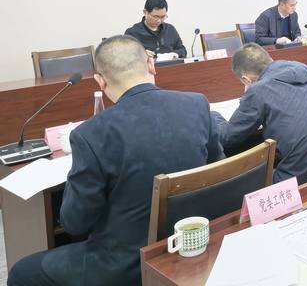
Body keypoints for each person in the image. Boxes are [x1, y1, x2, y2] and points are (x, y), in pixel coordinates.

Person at [8, 36, 224, 286]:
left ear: (100, 81)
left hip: (124, 264)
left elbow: (75, 223)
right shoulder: (197, 104)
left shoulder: (91, 134)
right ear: (151, 66)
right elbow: (218, 168)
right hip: (191, 240)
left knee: (22, 272)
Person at [212, 43, 307, 184]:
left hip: (296, 178)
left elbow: (228, 137)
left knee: (240, 179)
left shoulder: (258, 91)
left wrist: (214, 115)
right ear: (270, 60)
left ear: (246, 79)